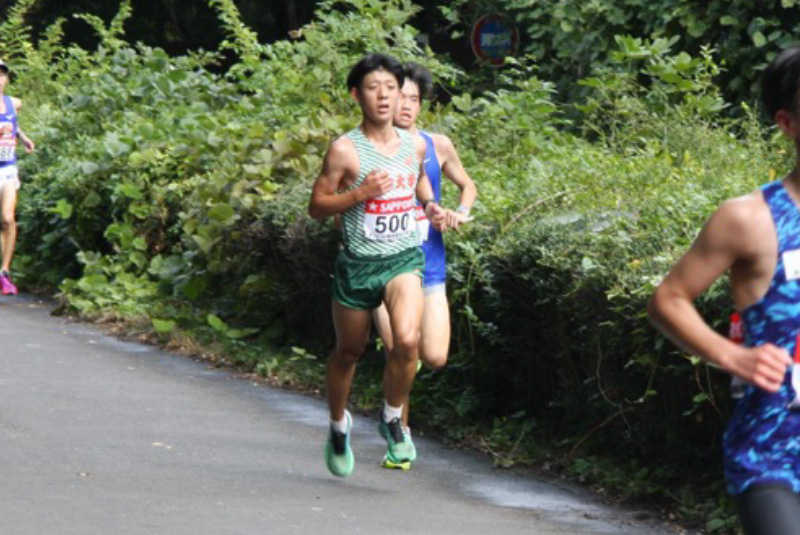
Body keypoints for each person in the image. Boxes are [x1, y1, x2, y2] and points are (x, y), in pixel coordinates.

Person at [647, 47, 800, 535]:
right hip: (774, 456)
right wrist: (734, 358)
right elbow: (668, 299)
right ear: (787, 123)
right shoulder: (750, 219)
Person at [308, 53, 447, 477]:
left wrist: (430, 205)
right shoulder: (345, 150)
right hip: (358, 264)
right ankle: (337, 425)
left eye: (391, 88)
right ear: (357, 95)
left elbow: (418, 179)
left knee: (407, 342)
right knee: (350, 351)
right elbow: (317, 207)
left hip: (403, 258)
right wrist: (359, 193)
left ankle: (392, 417)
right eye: (373, 88)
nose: (384, 96)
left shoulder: (416, 144)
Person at [372, 62, 476, 453]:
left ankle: (390, 412)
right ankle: (400, 433)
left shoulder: (438, 145)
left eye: (414, 99)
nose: (407, 105)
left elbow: (467, 185)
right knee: (405, 349)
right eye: (401, 97)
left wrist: (459, 212)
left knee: (433, 356)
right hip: (387, 269)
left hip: (430, 266)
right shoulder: (371, 148)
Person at [0, 59, 34, 296]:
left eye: (2, 75)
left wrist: (23, 138)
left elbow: (13, 123)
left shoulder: (14, 103)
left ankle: (4, 271)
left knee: (7, 218)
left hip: (8, 167)